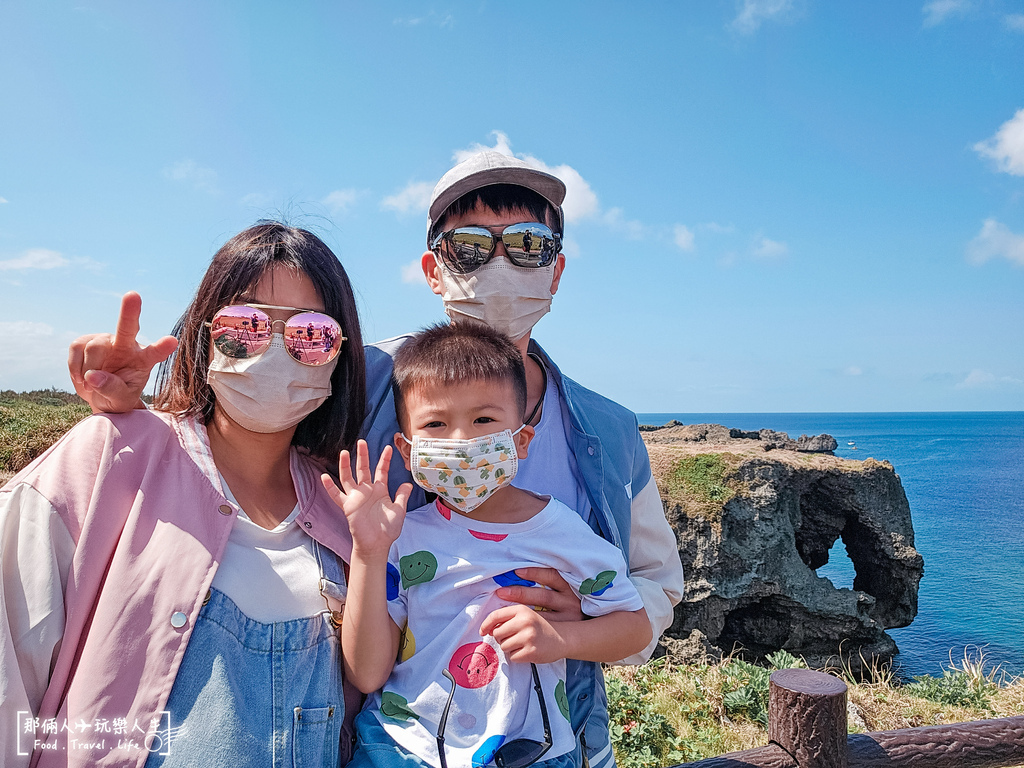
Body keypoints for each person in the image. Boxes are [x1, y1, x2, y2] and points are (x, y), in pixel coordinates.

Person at [66, 151, 685, 768]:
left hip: (549, 743)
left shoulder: (609, 429)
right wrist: (139, 406)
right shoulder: (359, 377)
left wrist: (581, 628)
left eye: (527, 243)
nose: (500, 262)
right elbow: (246, 420)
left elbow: (655, 586)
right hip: (396, 740)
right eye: (469, 246)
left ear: (556, 270)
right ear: (433, 271)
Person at [2, 223, 364, 767]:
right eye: (245, 325)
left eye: (311, 333)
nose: (274, 350)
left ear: (340, 355)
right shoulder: (109, 458)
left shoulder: (346, 512)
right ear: (203, 334)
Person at [326, 323, 651, 768]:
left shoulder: (565, 534)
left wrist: (562, 638)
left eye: (483, 420)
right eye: (436, 424)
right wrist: (368, 551)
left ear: (521, 440)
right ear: (407, 450)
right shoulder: (402, 537)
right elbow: (366, 672)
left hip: (530, 754)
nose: (462, 441)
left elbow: (634, 628)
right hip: (400, 749)